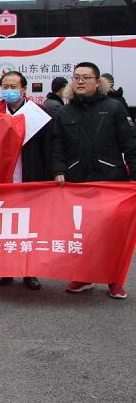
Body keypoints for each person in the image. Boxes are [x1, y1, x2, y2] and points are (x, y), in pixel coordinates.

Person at [51, 62, 136, 299]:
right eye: (76, 77)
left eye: (86, 77)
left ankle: (114, 280)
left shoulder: (114, 108)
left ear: (97, 82)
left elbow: (130, 144)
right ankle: (83, 277)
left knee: (112, 235)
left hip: (111, 182)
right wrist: (58, 170)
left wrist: (134, 176)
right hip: (78, 182)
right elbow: (57, 145)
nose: (80, 81)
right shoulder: (64, 113)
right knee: (81, 234)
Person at [0, 71, 50, 291]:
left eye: (13, 86)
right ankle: (5, 271)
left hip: (30, 177)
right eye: (5, 86)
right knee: (3, 227)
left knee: (28, 227)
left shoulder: (39, 113)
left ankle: (29, 272)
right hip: (2, 180)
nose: (9, 90)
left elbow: (48, 148)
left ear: (23, 89)